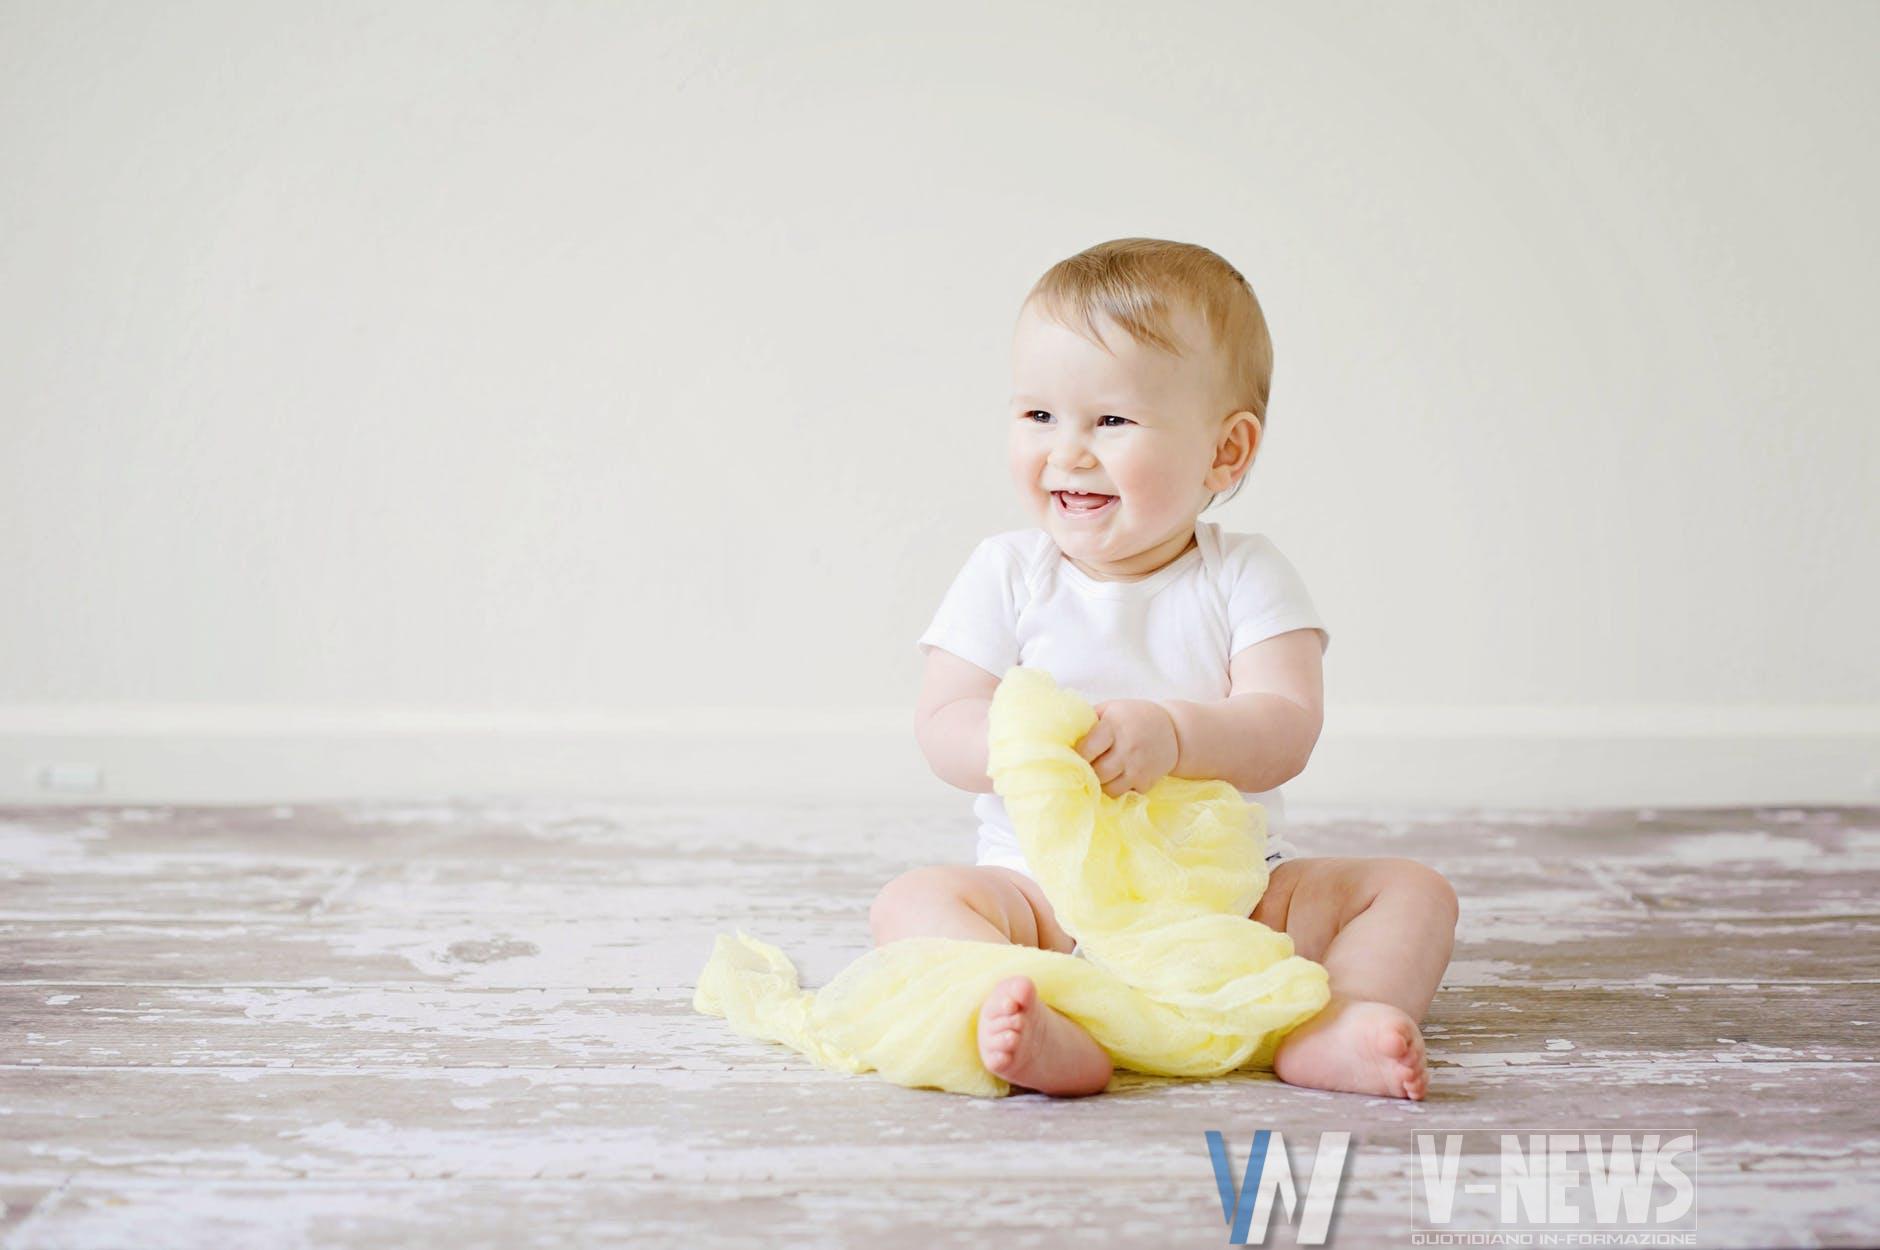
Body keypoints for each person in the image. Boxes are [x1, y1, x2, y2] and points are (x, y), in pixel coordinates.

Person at [872, 237, 1459, 1099]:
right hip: (1043, 895)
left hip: (1229, 899)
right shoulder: (1005, 573)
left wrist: (1176, 735)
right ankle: (1050, 1018)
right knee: (911, 904)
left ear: (1226, 452)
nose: (1067, 452)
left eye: (1110, 421)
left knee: (1413, 892)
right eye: (1038, 415)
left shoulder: (1244, 575)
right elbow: (943, 720)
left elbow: (1285, 725)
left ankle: (1342, 1021)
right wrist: (1029, 753)